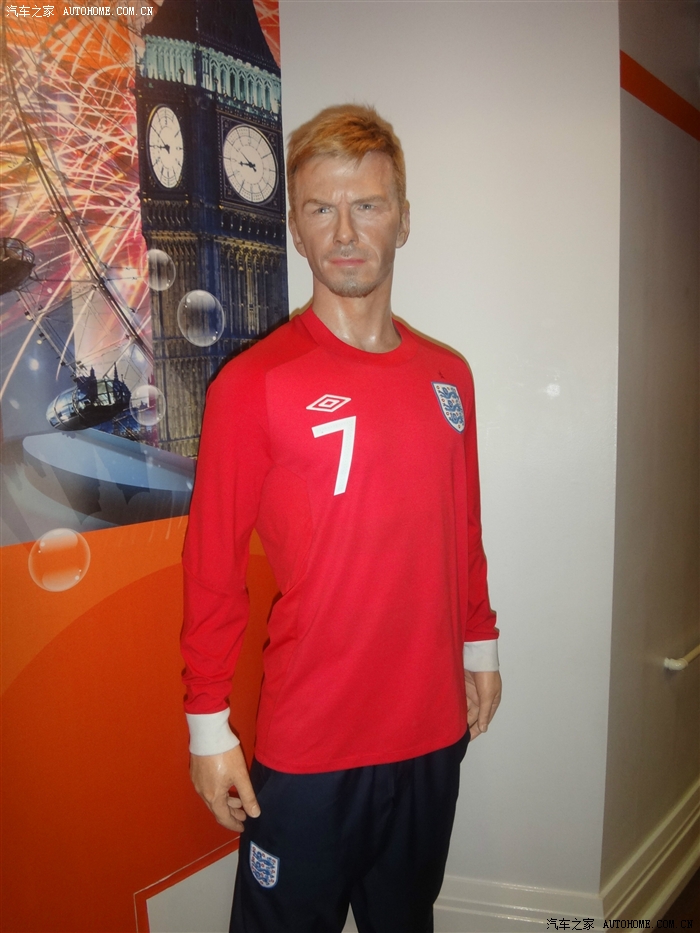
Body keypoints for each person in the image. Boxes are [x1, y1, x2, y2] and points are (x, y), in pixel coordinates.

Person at [180, 104, 501, 933]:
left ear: (404, 218)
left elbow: (462, 531)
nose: (346, 232)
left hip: (432, 733)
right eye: (321, 207)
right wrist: (207, 727)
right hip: (310, 748)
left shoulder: (450, 379)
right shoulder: (253, 386)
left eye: (368, 205)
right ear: (295, 226)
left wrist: (480, 645)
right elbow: (213, 567)